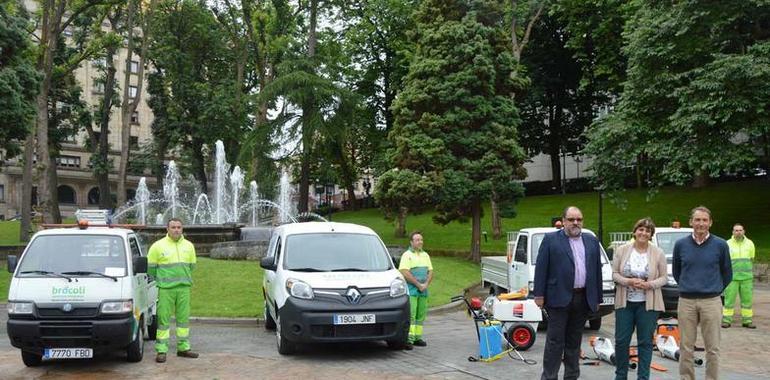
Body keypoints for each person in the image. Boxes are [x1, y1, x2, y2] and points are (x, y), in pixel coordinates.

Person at [534, 206, 603, 380]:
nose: (575, 223)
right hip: (558, 298)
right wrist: (538, 295)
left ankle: (571, 376)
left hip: (582, 298)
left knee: (574, 342)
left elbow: (596, 271)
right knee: (555, 342)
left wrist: (598, 297)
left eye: (579, 219)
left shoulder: (591, 240)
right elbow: (541, 268)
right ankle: (549, 377)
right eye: (571, 219)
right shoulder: (551, 240)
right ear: (563, 221)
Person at [673, 206, 732, 380]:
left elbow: (727, 273)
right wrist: (688, 285)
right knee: (686, 347)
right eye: (697, 220)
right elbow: (678, 272)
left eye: (704, 220)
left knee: (713, 348)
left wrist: (714, 289)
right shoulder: (680, 245)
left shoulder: (720, 245)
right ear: (691, 222)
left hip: (711, 301)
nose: (701, 223)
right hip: (686, 301)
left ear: (710, 223)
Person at [612, 218, 667, 380]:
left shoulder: (658, 253)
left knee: (645, 342)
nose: (643, 233)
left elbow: (664, 278)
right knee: (621, 341)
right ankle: (620, 376)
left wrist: (649, 285)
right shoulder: (622, 250)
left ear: (651, 235)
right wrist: (628, 281)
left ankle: (643, 377)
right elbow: (614, 274)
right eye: (641, 229)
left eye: (647, 231)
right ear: (635, 231)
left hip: (648, 305)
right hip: (625, 303)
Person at [148, 218, 199, 363]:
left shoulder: (189, 246)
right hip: (165, 290)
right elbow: (151, 268)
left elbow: (192, 266)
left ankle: (183, 348)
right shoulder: (157, 246)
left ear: (182, 229)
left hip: (184, 288)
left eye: (179, 227)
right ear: (167, 229)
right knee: (163, 321)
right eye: (173, 227)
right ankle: (161, 351)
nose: (176, 230)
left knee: (183, 320)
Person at [399, 231, 433, 350]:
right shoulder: (406, 255)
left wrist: (426, 284)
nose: (420, 242)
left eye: (421, 240)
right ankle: (409, 339)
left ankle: (417, 337)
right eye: (417, 240)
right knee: (411, 315)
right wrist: (418, 284)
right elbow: (404, 272)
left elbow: (430, 271)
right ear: (411, 242)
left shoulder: (425, 255)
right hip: (412, 290)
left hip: (423, 290)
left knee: (420, 315)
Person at [722, 223, 756, 329]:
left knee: (747, 301)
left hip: (747, 278)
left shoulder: (750, 243)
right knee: (729, 301)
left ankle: (747, 321)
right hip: (732, 278)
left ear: (744, 231)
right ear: (733, 232)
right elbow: (725, 261)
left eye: (740, 230)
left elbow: (751, 259)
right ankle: (726, 321)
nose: (738, 232)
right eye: (736, 230)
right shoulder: (727, 244)